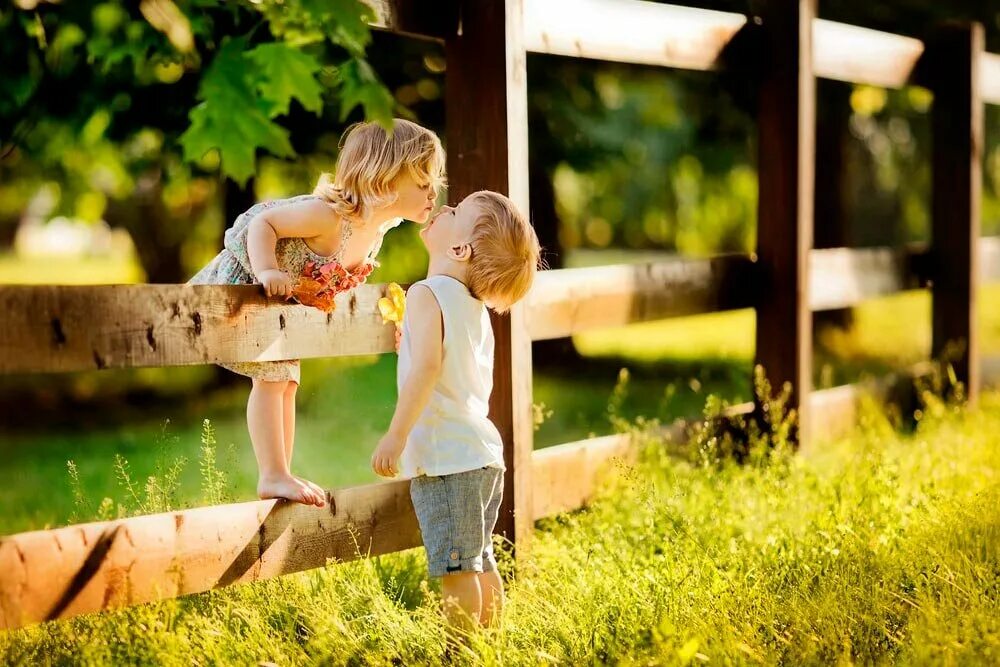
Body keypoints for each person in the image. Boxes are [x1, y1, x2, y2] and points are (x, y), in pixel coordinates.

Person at [190, 119, 445, 507]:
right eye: (424, 184)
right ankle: (272, 473)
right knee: (273, 381)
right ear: (386, 181)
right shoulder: (329, 217)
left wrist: (390, 323)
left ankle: (281, 472)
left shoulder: (378, 230)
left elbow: (344, 284)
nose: (434, 193)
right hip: (241, 286)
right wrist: (267, 271)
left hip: (280, 307)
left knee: (287, 382)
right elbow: (264, 224)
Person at [370, 190, 541, 630]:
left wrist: (396, 435)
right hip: (481, 456)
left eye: (456, 212)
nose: (444, 207)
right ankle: (489, 643)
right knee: (479, 561)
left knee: (457, 570)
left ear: (459, 249)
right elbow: (446, 361)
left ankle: (459, 651)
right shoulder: (472, 307)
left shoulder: (427, 294)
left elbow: (428, 367)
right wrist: (410, 338)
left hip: (450, 462)